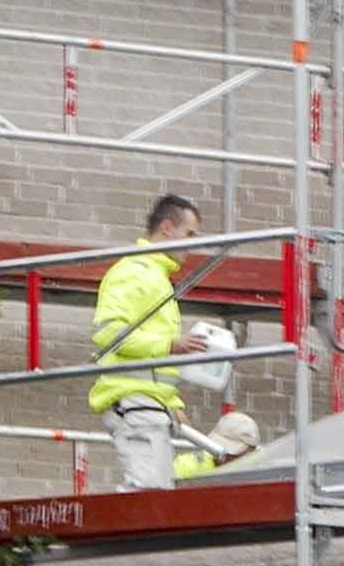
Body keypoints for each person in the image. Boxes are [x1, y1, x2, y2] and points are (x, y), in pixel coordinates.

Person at [91, 196, 259, 488]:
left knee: (156, 487)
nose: (192, 244)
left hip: (146, 401)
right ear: (167, 228)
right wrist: (171, 345)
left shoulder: (151, 275)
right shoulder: (135, 272)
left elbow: (154, 362)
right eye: (190, 234)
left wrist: (172, 402)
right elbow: (110, 335)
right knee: (148, 490)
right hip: (134, 398)